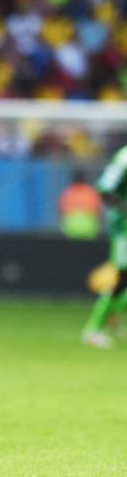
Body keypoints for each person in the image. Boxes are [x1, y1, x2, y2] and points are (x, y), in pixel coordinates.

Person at [83, 145, 127, 349]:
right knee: (122, 277)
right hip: (124, 228)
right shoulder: (125, 157)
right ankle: (94, 329)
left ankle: (115, 318)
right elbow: (105, 188)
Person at [59, 170, 102, 240]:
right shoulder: (91, 192)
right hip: (90, 229)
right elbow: (99, 212)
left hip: (70, 229)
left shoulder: (67, 193)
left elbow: (62, 211)